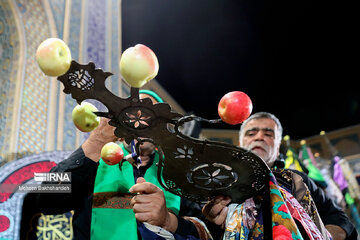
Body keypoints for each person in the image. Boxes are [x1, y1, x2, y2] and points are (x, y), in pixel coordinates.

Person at [24, 90, 211, 240]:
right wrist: (94, 144)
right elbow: (41, 198)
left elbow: (207, 230)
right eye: (136, 114)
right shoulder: (94, 160)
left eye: (154, 117)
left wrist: (168, 220)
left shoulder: (177, 175)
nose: (143, 122)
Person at [202, 112, 358, 240]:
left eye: (268, 134)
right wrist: (212, 224)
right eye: (251, 133)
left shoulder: (297, 180)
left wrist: (322, 235)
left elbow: (340, 218)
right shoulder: (220, 184)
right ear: (240, 144)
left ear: (277, 149)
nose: (259, 137)